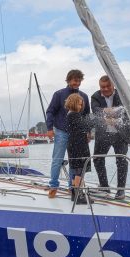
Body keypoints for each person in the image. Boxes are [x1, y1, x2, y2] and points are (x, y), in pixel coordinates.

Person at [45, 69, 90, 197]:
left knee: (74, 161)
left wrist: (88, 132)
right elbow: (50, 112)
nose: (78, 83)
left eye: (80, 81)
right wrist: (49, 128)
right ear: (69, 79)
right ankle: (53, 185)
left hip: (77, 135)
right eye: (75, 80)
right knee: (57, 159)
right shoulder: (58, 94)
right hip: (61, 132)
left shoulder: (84, 96)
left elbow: (87, 115)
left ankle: (73, 187)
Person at [90, 75, 130, 200]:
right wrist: (109, 113)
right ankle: (104, 187)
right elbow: (96, 111)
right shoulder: (95, 96)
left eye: (108, 86)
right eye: (103, 87)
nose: (106, 89)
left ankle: (120, 191)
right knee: (98, 159)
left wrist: (107, 113)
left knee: (121, 160)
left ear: (113, 85)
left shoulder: (121, 94)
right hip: (103, 134)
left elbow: (123, 110)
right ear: (100, 87)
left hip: (121, 133)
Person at [65, 94, 93, 204]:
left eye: (82, 105)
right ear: (74, 103)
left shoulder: (71, 114)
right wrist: (92, 120)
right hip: (78, 146)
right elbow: (84, 126)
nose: (81, 107)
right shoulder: (74, 115)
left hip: (74, 145)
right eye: (80, 104)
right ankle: (79, 195)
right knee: (79, 171)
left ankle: (74, 193)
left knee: (76, 170)